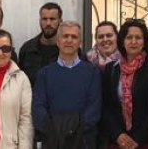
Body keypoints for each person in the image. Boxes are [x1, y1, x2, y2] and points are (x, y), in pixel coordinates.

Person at [32, 20, 103, 148]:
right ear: (58, 41)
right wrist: (56, 131)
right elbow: (38, 108)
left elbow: (94, 109)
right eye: (65, 36)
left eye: (74, 37)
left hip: (83, 141)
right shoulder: (44, 74)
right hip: (53, 141)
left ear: (80, 42)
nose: (69, 40)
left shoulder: (92, 73)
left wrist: (73, 132)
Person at [101, 19, 148, 149]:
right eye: (129, 37)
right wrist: (118, 135)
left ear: (144, 41)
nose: (133, 41)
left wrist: (137, 139)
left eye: (138, 38)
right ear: (122, 41)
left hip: (146, 141)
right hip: (117, 141)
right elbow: (106, 106)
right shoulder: (110, 69)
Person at [19, 2, 62, 83]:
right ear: (40, 21)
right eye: (44, 19)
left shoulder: (69, 50)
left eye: (52, 19)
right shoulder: (27, 49)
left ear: (60, 21)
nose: (48, 23)